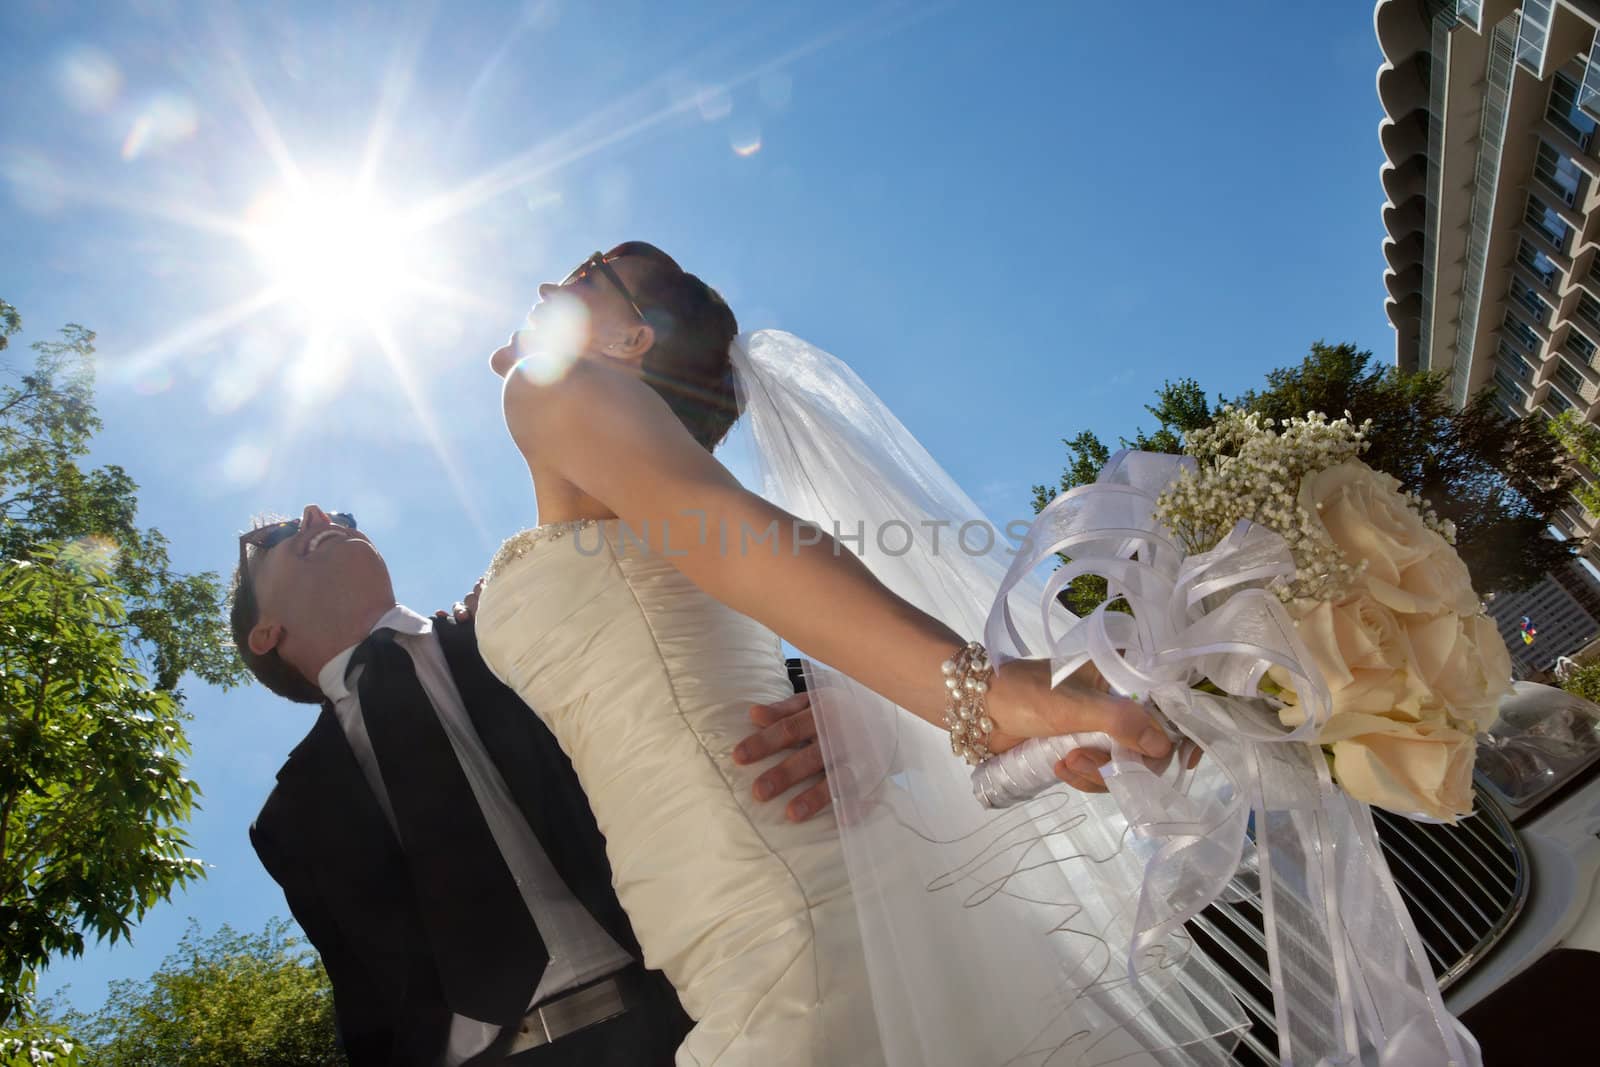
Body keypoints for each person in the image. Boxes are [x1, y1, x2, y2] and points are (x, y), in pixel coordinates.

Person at [473, 243, 1188, 1065]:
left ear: (634, 341)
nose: (548, 285)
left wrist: (983, 698)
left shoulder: (551, 384)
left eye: (586, 274)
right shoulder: (615, 482)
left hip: (780, 930)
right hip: (788, 910)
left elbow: (733, 538)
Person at [231, 505, 826, 1065]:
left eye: (342, 517)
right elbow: (367, 1005)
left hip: (690, 1017)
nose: (320, 515)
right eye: (277, 535)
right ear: (265, 631)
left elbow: (685, 675)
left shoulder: (516, 631)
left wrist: (834, 706)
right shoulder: (288, 819)